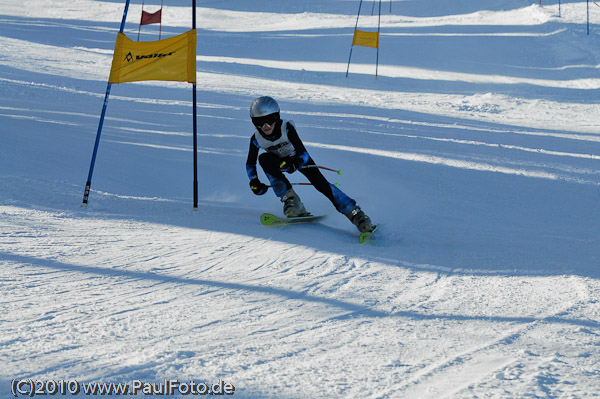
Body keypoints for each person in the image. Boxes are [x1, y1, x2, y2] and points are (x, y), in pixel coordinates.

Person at [245, 96, 374, 233]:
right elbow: (250, 164)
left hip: (298, 160)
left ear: (277, 117)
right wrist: (254, 181)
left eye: (270, 120)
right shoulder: (256, 139)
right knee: (263, 158)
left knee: (321, 184)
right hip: (279, 163)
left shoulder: (286, 128)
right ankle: (292, 202)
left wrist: (295, 163)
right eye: (260, 122)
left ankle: (357, 215)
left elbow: (303, 153)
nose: (266, 126)